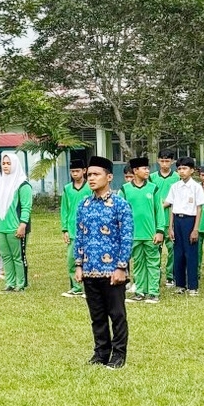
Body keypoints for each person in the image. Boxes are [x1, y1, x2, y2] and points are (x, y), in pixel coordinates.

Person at [72, 155, 132, 367]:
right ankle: (100, 353)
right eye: (89, 175)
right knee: (97, 316)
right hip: (90, 269)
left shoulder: (120, 204)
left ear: (108, 177)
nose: (91, 178)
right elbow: (79, 236)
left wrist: (121, 267)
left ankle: (118, 355)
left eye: (96, 174)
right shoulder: (84, 205)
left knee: (116, 314)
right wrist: (78, 264)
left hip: (112, 271)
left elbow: (126, 237)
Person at [121, 158, 164, 304]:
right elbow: (120, 212)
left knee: (153, 263)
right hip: (133, 235)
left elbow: (159, 211)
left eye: (148, 168)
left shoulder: (153, 188)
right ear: (135, 171)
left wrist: (160, 231)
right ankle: (140, 291)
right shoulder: (125, 189)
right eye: (144, 168)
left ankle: (153, 292)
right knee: (138, 263)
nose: (147, 171)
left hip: (151, 234)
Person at [0, 151, 31, 292]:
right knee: (5, 256)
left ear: (15, 165)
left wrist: (22, 224)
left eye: (8, 163)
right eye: (3, 163)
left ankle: (20, 283)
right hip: (1, 226)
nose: (5, 166)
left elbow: (26, 206)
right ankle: (10, 283)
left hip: (15, 226)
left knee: (17, 256)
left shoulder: (22, 184)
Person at [163, 158, 204, 295]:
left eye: (185, 168)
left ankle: (193, 286)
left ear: (192, 170)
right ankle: (180, 284)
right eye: (180, 169)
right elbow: (172, 207)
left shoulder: (196, 187)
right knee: (178, 254)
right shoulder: (175, 187)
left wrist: (195, 229)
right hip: (177, 220)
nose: (182, 171)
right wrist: (171, 227)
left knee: (191, 254)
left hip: (190, 221)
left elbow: (199, 209)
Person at [59, 151, 89, 297]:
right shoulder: (67, 189)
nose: (75, 174)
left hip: (88, 230)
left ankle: (88, 288)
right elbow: (64, 209)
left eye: (77, 171)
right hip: (72, 230)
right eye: (72, 171)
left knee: (88, 259)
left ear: (84, 171)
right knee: (71, 259)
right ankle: (76, 287)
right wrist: (64, 229)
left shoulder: (90, 187)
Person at [150, 151, 181, 283]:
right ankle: (155, 275)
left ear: (172, 162)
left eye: (167, 161)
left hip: (171, 218)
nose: (164, 164)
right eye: (162, 161)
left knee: (173, 249)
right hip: (156, 220)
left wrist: (168, 203)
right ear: (158, 161)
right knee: (154, 249)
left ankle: (170, 276)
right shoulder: (151, 177)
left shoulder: (177, 177)